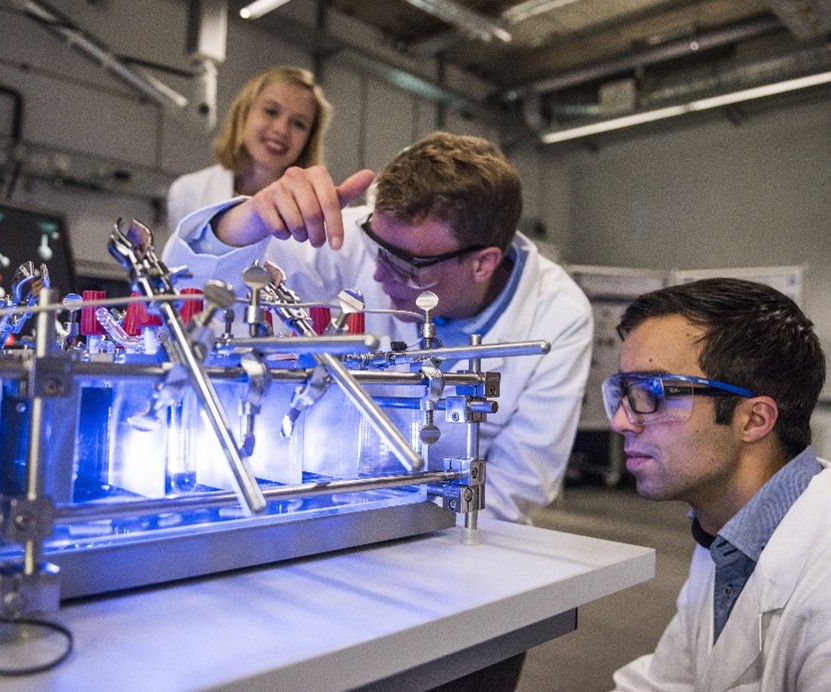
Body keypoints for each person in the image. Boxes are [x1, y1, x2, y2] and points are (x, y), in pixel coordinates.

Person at [162, 131, 594, 526]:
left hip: (462, 534)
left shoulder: (557, 314)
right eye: (378, 251)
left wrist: (389, 530)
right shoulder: (368, 237)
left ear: (483, 263)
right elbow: (187, 282)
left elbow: (518, 485)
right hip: (327, 508)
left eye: (410, 265)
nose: (383, 276)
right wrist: (251, 216)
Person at [605, 278, 831, 691]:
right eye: (625, 392)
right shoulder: (730, 532)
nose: (620, 421)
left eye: (655, 393)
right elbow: (668, 682)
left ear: (753, 420)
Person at [166, 65, 333, 233]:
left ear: (309, 140)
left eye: (299, 123)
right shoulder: (189, 191)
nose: (281, 129)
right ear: (244, 113)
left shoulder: (314, 213)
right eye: (271, 111)